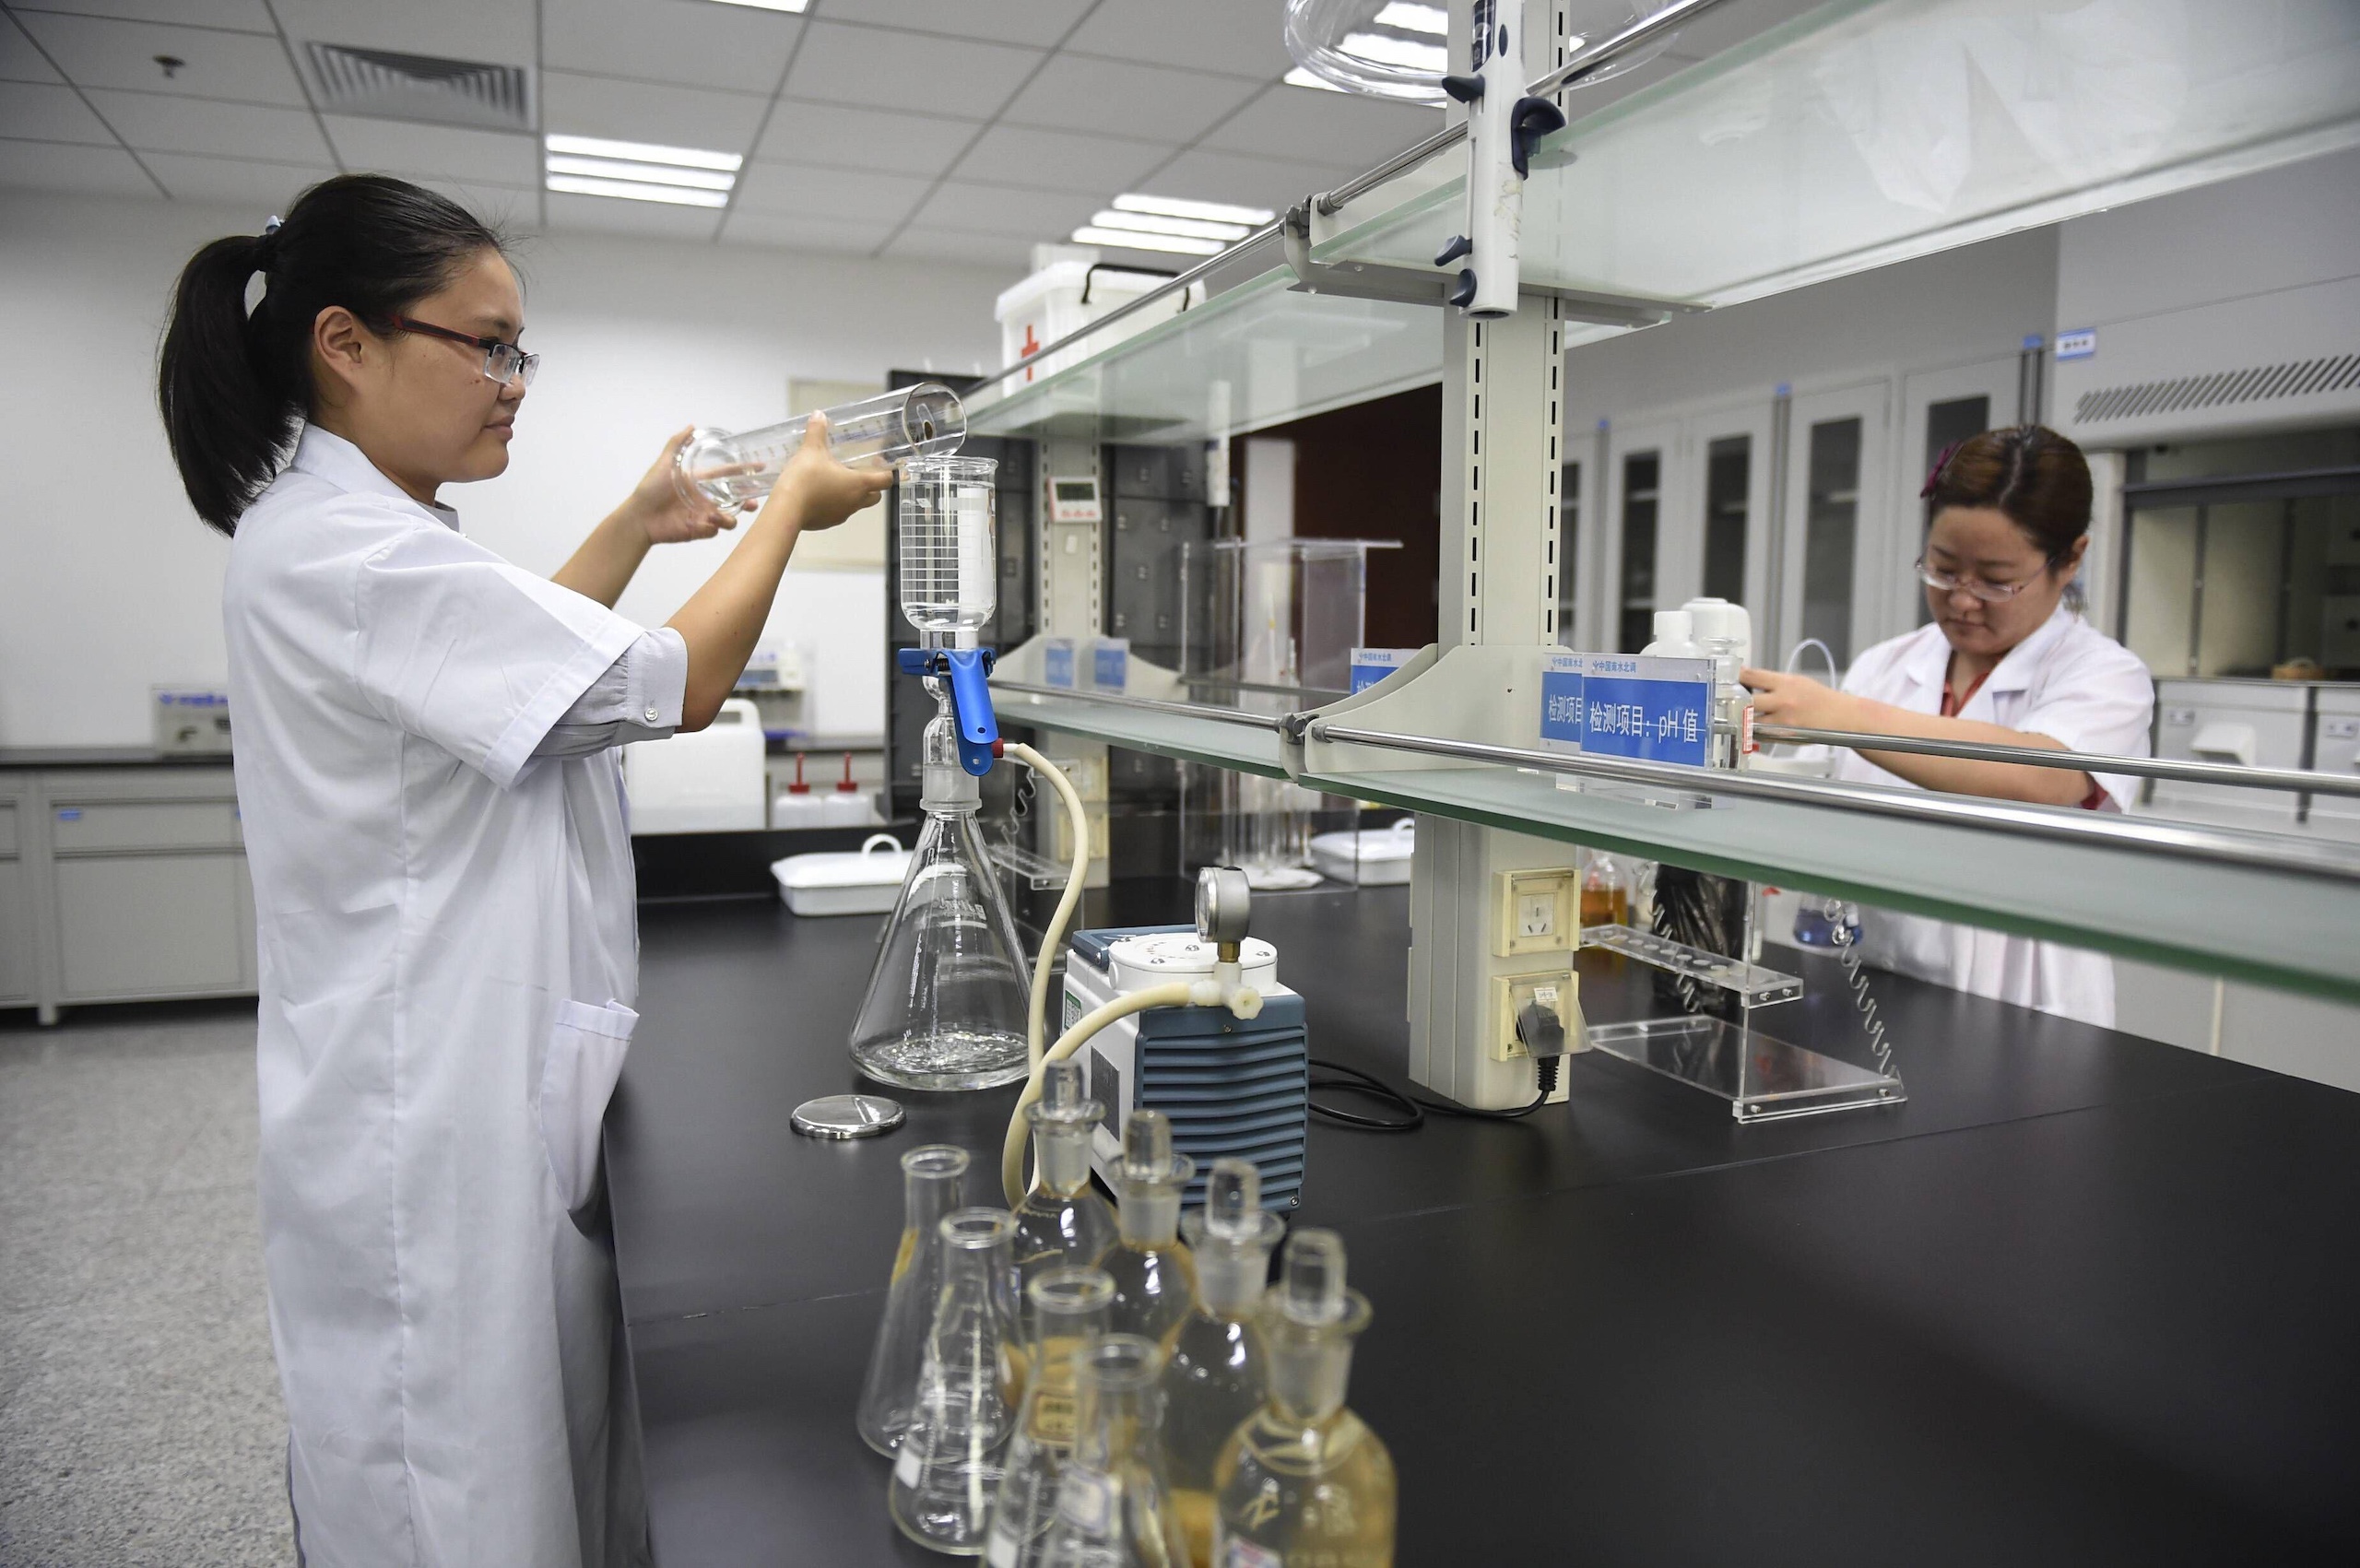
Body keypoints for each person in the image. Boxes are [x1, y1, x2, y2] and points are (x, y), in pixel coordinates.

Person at [156, 174, 889, 1566]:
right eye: (483, 344)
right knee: (460, 1486)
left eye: (518, 350)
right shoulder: (345, 553)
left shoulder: (366, 543)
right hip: (424, 1115)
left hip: (465, 1070)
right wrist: (790, 503)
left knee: (537, 1452)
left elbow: (525, 669)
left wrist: (634, 521)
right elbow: (670, 687)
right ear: (346, 342)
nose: (511, 382)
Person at [1741, 425, 2153, 1027]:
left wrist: (1839, 716)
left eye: (1994, 579)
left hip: (2025, 1011)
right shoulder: (1887, 665)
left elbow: (2042, 775)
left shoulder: (2107, 676)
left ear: (2070, 559)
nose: (1962, 599)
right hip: (1880, 988)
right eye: (1943, 568)